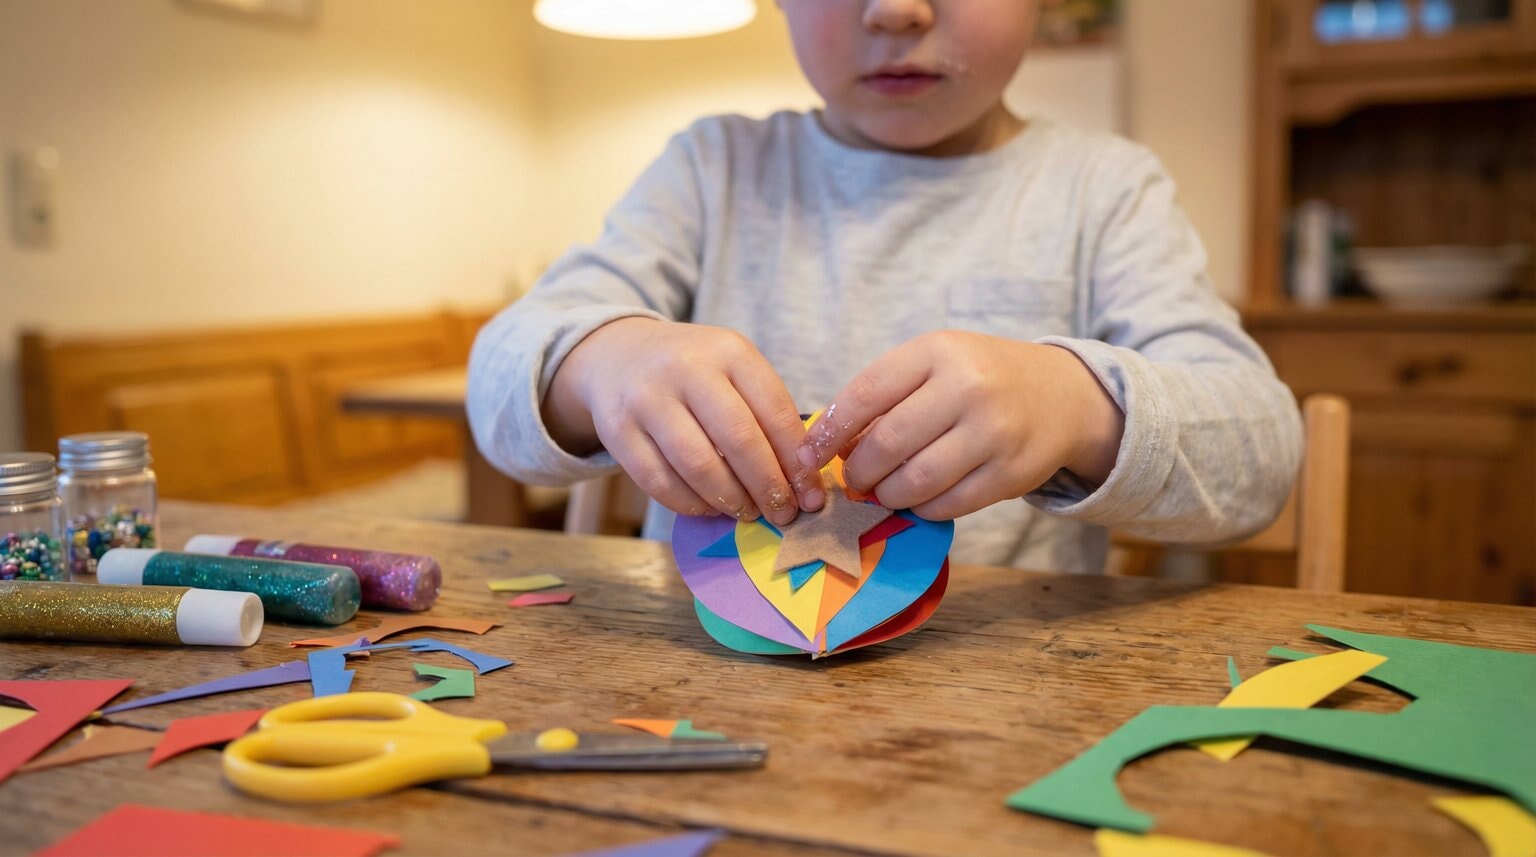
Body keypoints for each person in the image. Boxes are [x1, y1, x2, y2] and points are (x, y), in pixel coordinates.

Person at [468, 0, 1302, 573]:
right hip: (702, 686)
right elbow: (498, 380)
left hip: (1000, 707)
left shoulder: (1103, 188)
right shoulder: (712, 169)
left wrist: (1078, 406)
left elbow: (1261, 456)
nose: (898, 9)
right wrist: (604, 363)